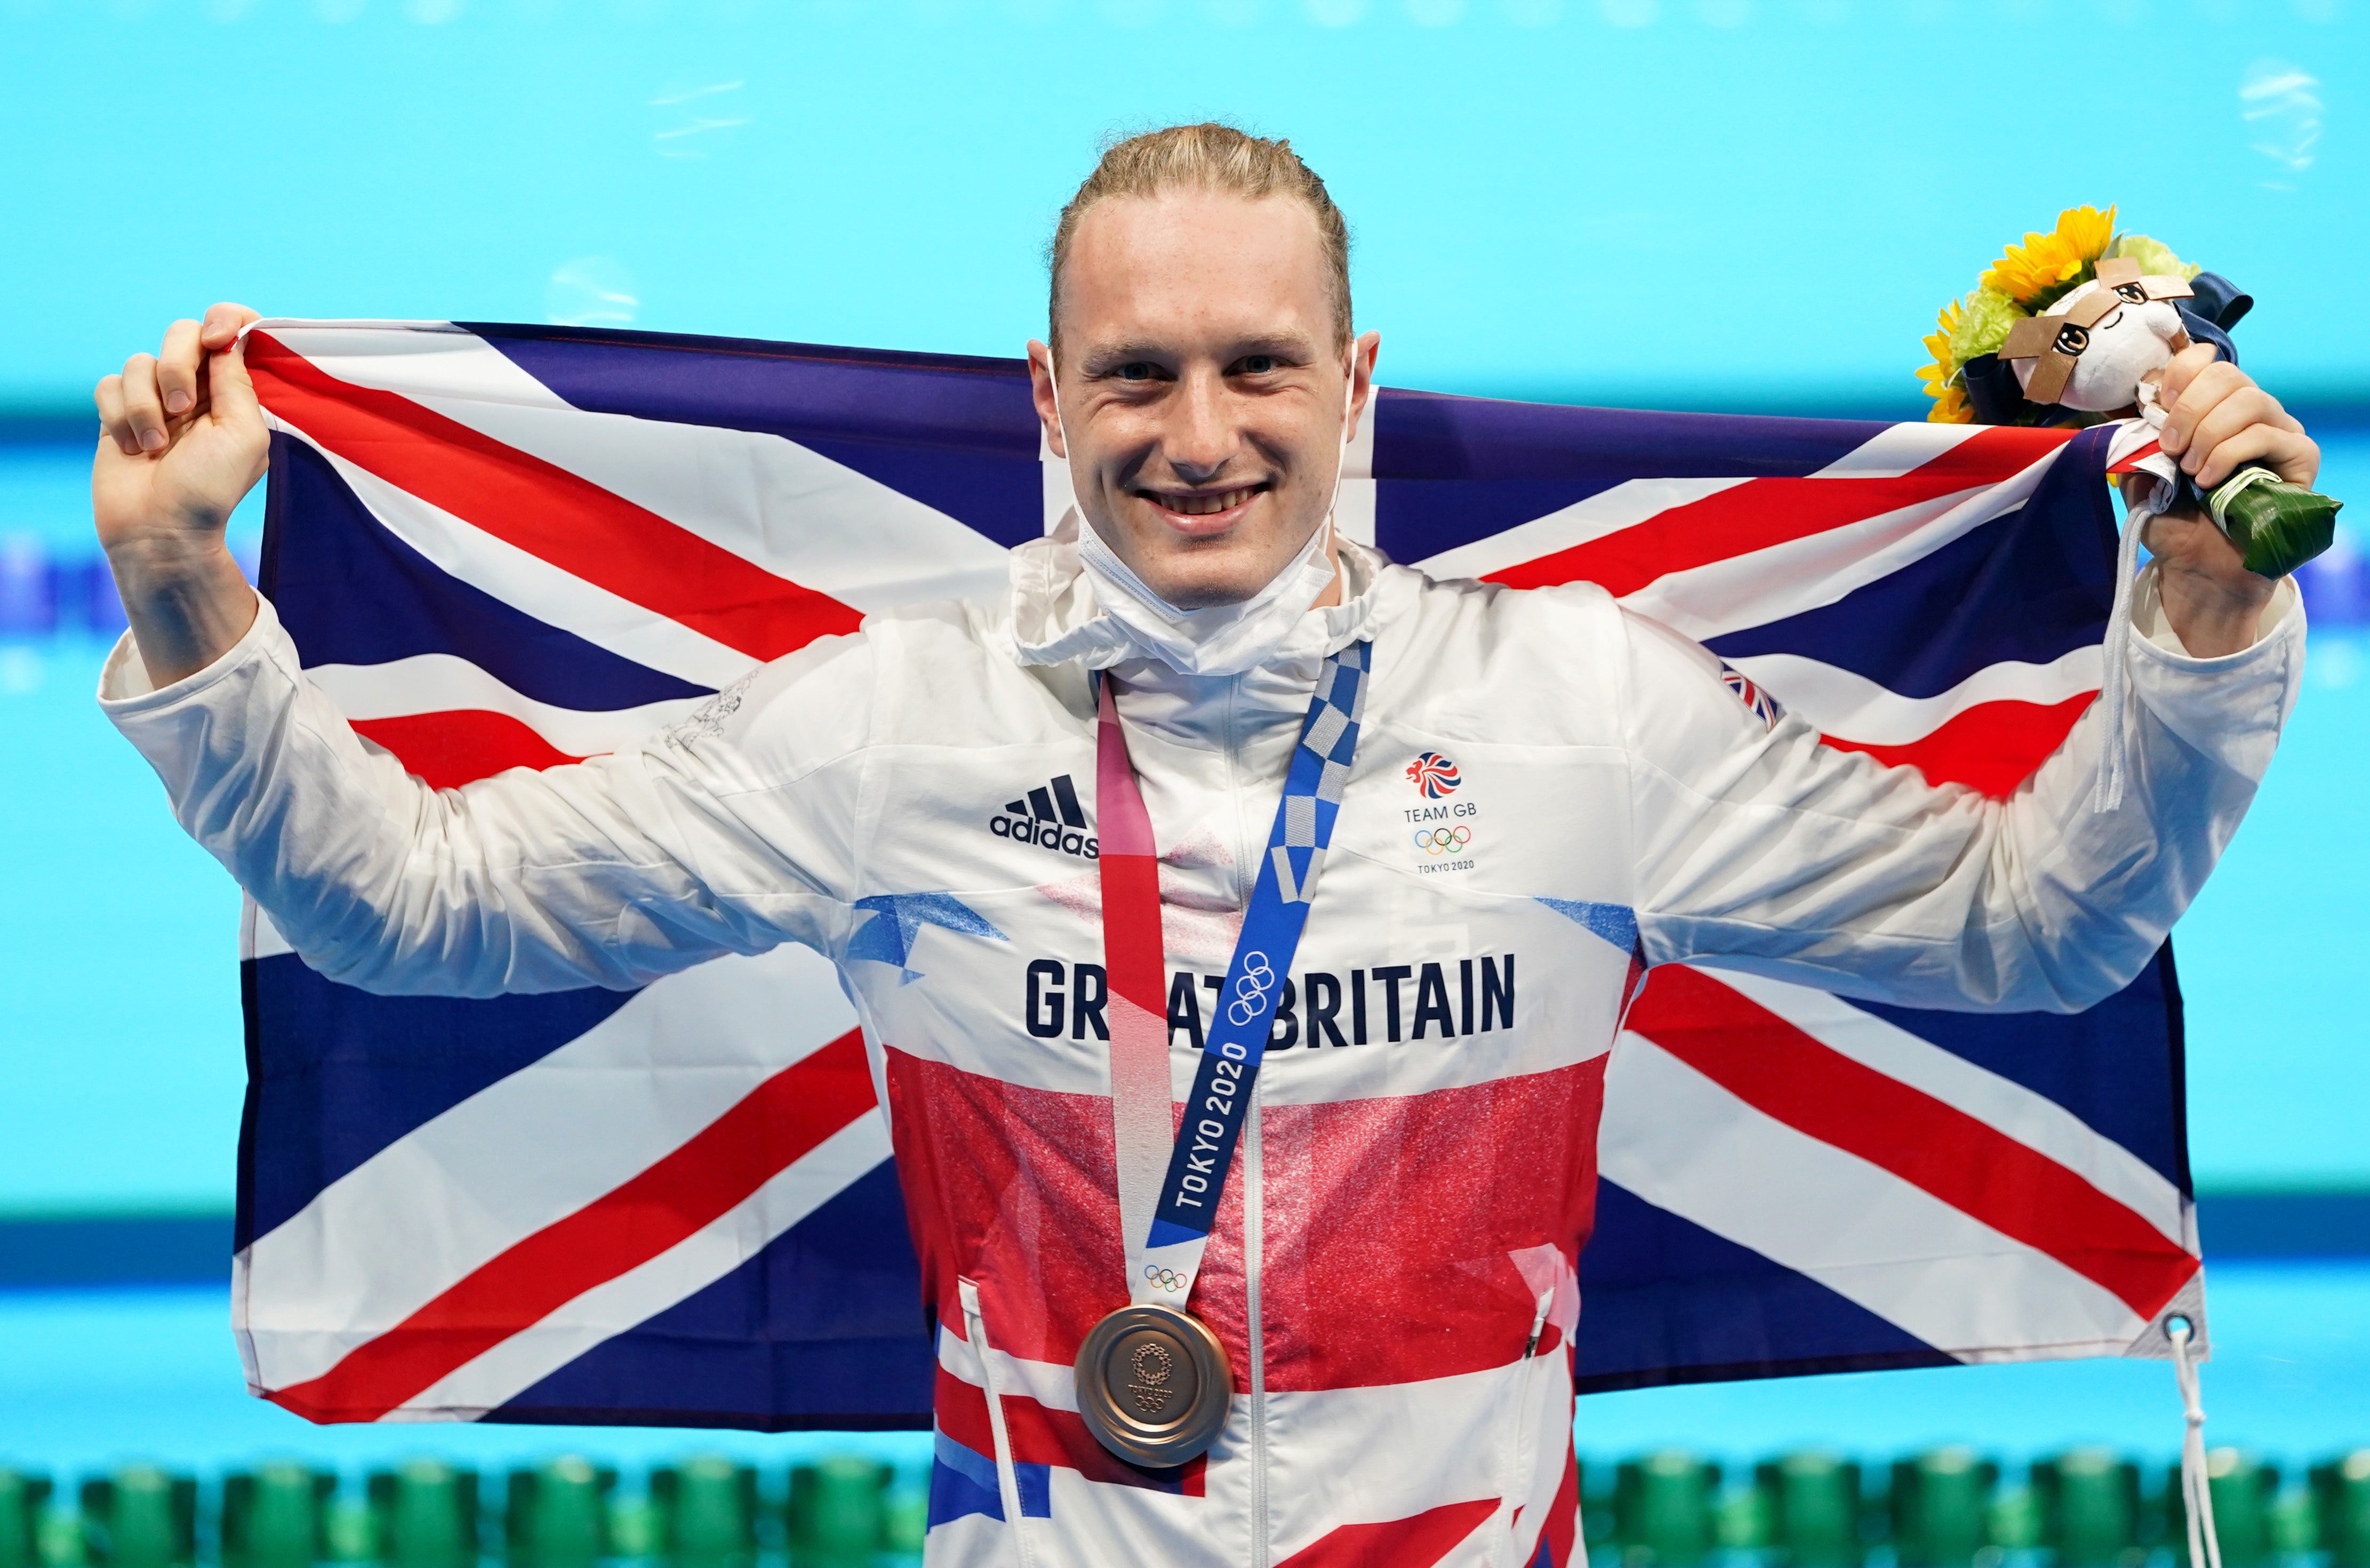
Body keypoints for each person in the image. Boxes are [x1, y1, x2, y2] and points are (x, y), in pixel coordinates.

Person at [91, 124, 2313, 1566]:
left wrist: (2199, 623)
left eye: (1258, 369)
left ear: (1354, 381)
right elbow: (417, 910)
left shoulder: (1581, 713)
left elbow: (2040, 924)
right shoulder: (890, 725)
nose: (1200, 433)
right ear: (1045, 402)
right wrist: (195, 594)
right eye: (1133, 377)